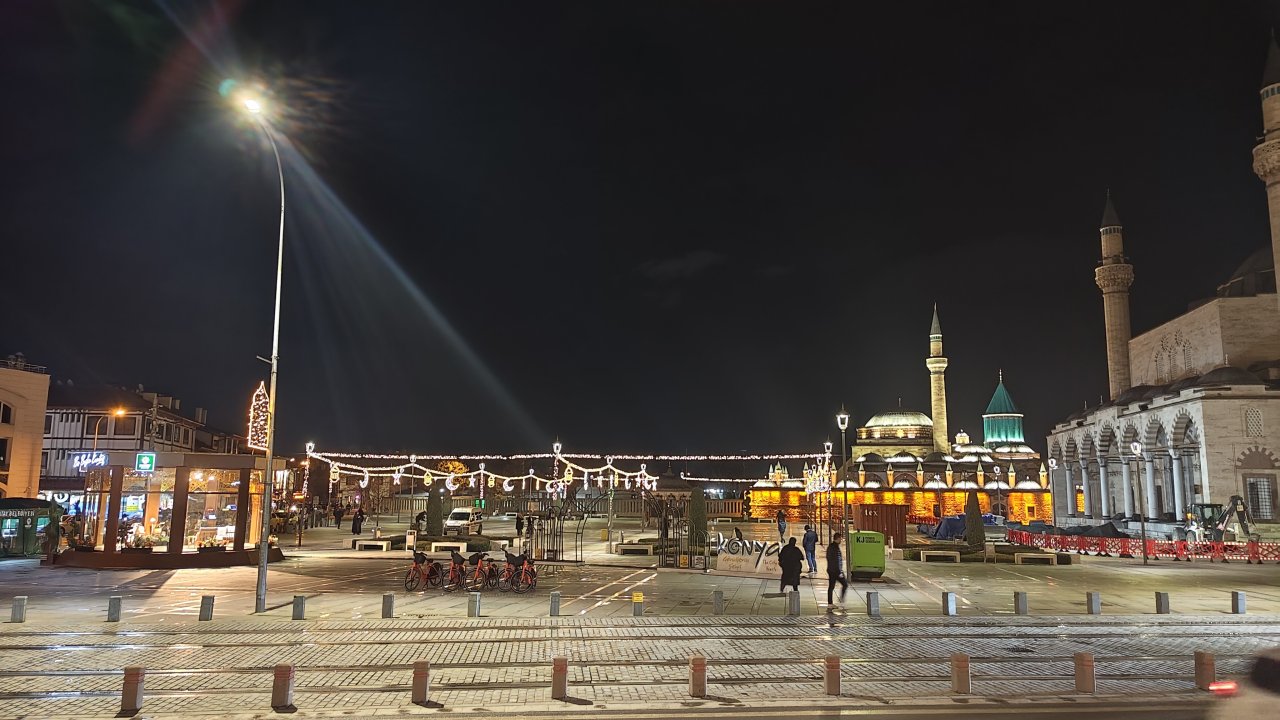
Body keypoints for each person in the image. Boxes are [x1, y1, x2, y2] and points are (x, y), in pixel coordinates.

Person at [826, 531, 848, 609]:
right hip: (835, 571)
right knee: (845, 584)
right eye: (840, 539)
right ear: (838, 538)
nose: (841, 541)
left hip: (831, 570)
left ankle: (830, 603)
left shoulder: (831, 546)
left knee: (831, 587)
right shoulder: (835, 548)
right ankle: (841, 602)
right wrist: (839, 572)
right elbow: (836, 560)